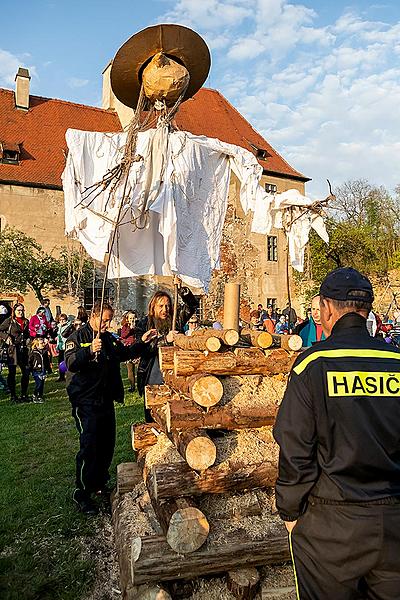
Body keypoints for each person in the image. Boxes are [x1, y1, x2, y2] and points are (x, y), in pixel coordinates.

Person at [273, 267, 400, 599]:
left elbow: (294, 444)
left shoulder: (312, 364)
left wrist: (290, 511)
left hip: (331, 523)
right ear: (367, 309)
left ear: (327, 309)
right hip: (392, 520)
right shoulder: (395, 361)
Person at [65, 301, 156, 515]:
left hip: (105, 400)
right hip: (85, 402)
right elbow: (70, 363)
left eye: (109, 320)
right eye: (104, 320)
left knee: (106, 443)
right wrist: (87, 353)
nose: (107, 324)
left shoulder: (107, 338)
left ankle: (99, 483)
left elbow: (123, 354)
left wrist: (142, 342)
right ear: (93, 316)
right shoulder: (77, 338)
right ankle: (82, 492)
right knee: (90, 445)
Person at [136, 278, 198, 421]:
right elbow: (143, 349)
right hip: (153, 372)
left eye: (167, 306)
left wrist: (182, 290)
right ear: (153, 307)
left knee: (175, 409)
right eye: (161, 306)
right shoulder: (143, 324)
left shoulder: (175, 320)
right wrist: (165, 340)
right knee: (154, 411)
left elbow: (192, 305)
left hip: (174, 371)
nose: (165, 309)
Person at [0, 303, 30, 403]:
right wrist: (6, 337)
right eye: (18, 310)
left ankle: (24, 394)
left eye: (22, 310)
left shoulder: (26, 321)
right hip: (12, 350)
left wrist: (28, 339)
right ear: (14, 311)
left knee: (26, 372)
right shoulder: (9, 321)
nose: (20, 312)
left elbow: (27, 334)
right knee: (12, 373)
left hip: (23, 350)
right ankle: (13, 395)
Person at [29, 336, 52, 403]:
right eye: (41, 343)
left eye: (43, 343)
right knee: (38, 383)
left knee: (42, 384)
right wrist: (30, 369)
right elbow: (30, 361)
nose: (43, 344)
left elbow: (47, 362)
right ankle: (34, 395)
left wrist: (49, 369)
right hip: (36, 370)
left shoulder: (44, 352)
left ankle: (40, 396)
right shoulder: (34, 352)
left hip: (43, 370)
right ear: (37, 345)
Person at [120, 310, 138, 392]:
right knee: (130, 369)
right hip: (129, 349)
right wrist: (130, 329)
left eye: (134, 318)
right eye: (131, 318)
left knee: (140, 368)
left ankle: (141, 384)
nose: (132, 319)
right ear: (127, 319)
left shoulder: (137, 325)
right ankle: (132, 386)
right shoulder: (125, 327)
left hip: (136, 348)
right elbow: (123, 336)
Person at [56, 313, 72, 381]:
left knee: (67, 361)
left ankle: (68, 375)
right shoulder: (58, 326)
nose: (62, 321)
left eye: (63, 319)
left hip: (66, 346)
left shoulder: (68, 327)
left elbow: (64, 335)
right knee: (60, 362)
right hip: (60, 346)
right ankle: (61, 376)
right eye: (60, 320)